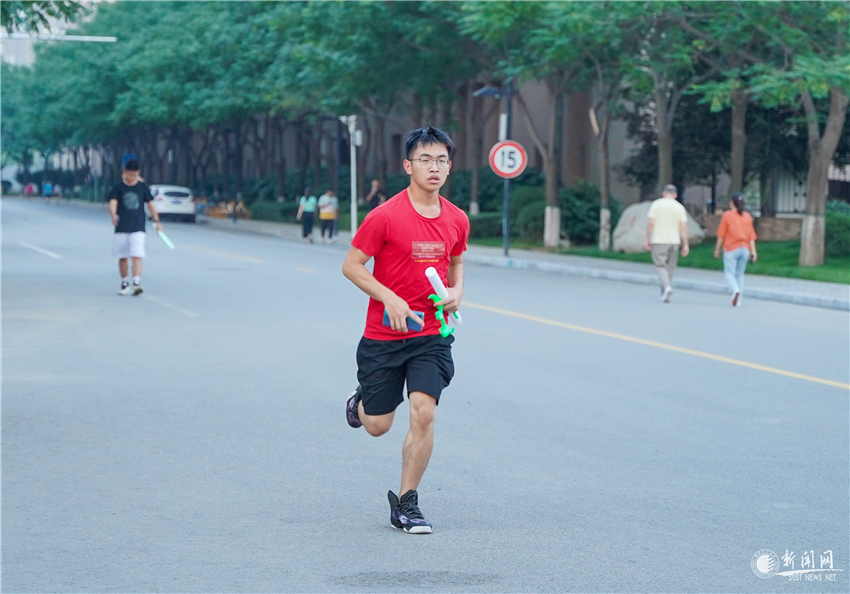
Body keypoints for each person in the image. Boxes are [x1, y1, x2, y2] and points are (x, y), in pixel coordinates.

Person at [342, 127, 469, 534]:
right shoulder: (384, 216)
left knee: (424, 412)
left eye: (441, 160)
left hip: (431, 334)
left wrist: (457, 291)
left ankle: (407, 503)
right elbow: (352, 266)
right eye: (425, 160)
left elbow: (457, 262)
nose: (434, 167)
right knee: (377, 426)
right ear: (408, 166)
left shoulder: (456, 218)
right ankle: (360, 402)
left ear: (449, 167)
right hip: (384, 335)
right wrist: (390, 298)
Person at [108, 154, 163, 296]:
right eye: (129, 175)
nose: (132, 177)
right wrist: (113, 215)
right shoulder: (118, 187)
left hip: (138, 227)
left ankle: (137, 282)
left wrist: (157, 221)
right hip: (121, 226)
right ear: (124, 172)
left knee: (137, 254)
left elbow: (151, 205)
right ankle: (124, 282)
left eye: (134, 175)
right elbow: (113, 202)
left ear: (138, 173)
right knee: (122, 256)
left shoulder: (142, 187)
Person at [645, 184, 689, 302]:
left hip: (659, 240)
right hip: (674, 241)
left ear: (663, 193)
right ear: (675, 195)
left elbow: (651, 223)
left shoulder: (656, 204)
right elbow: (683, 227)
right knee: (670, 268)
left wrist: (647, 238)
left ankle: (667, 287)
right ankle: (664, 293)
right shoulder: (679, 207)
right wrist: (685, 244)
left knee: (660, 266)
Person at [714, 193, 758, 307]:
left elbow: (721, 234)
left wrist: (717, 248)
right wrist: (753, 251)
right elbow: (751, 236)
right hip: (745, 249)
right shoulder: (747, 216)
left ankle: (735, 290)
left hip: (731, 248)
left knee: (729, 272)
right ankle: (738, 300)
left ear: (732, 203)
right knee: (740, 274)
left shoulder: (727, 215)